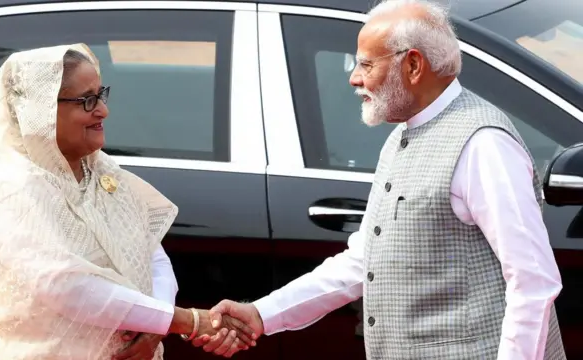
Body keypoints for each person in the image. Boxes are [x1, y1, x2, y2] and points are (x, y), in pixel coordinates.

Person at [196, 0, 567, 359]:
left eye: (366, 65)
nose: (354, 78)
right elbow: (364, 261)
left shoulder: (483, 144)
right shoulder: (403, 135)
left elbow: (533, 283)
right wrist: (263, 313)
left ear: (413, 65)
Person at [0, 44, 253, 359]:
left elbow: (153, 255)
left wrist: (156, 323)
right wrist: (186, 320)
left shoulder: (98, 167)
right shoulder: (15, 185)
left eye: (101, 95)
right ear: (40, 110)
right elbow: (64, 286)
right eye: (87, 100)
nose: (103, 110)